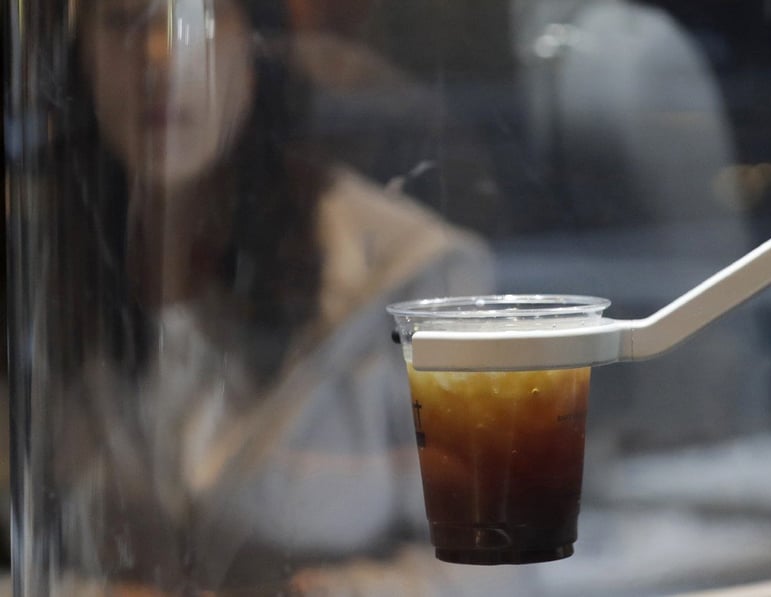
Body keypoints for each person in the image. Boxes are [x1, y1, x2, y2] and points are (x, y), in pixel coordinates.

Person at [37, 0, 533, 594]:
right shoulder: (40, 264)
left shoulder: (415, 275)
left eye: (200, 19)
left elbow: (504, 563)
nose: (160, 56)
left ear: (256, 46)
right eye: (123, 21)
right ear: (79, 56)